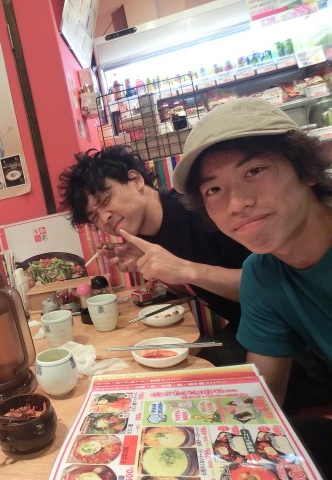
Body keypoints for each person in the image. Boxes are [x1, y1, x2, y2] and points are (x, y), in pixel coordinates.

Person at [172, 97, 332, 477]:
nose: (237, 204)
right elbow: (262, 405)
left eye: (254, 170)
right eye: (214, 190)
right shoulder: (261, 275)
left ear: (307, 170)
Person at [58, 145, 251, 365]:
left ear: (136, 179)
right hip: (244, 326)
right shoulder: (142, 238)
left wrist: (186, 269)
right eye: (94, 217)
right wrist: (161, 273)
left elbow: (272, 286)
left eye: (105, 200)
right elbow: (201, 287)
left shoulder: (200, 210)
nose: (104, 218)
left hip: (276, 328)